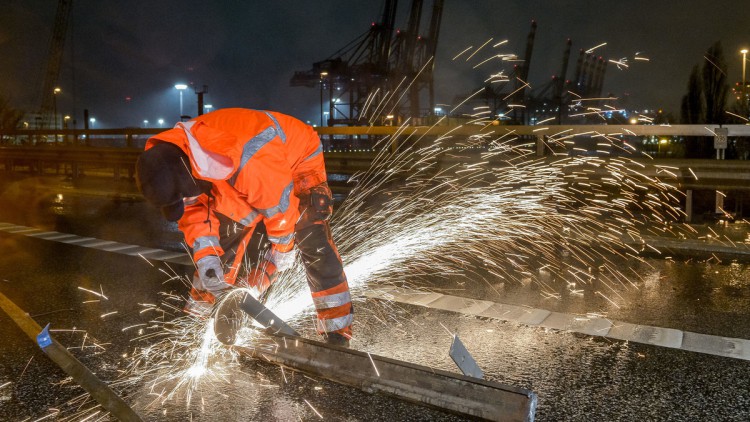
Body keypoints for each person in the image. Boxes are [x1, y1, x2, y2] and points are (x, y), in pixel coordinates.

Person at [135, 108, 352, 345]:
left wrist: (281, 252)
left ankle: (336, 331)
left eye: (183, 198)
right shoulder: (176, 161)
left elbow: (279, 209)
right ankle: (200, 320)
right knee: (223, 239)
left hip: (294, 159)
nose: (186, 202)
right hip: (237, 169)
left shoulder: (249, 156)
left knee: (311, 237)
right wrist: (207, 256)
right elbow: (197, 213)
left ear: (191, 180)